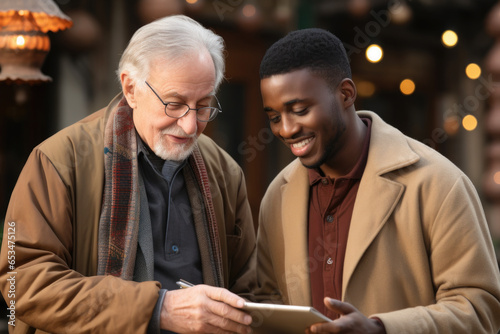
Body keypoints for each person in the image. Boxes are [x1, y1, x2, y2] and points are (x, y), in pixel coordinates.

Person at [0, 15, 255, 334]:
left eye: (203, 106)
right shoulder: (57, 161)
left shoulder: (225, 172)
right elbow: (20, 282)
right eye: (174, 104)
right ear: (130, 88)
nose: (191, 126)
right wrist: (157, 309)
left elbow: (249, 290)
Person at [252, 28, 500, 334]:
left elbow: (480, 312)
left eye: (300, 110)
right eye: (274, 117)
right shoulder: (276, 196)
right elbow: (269, 302)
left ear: (345, 94)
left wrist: (381, 329)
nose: (286, 129)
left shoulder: (440, 183)